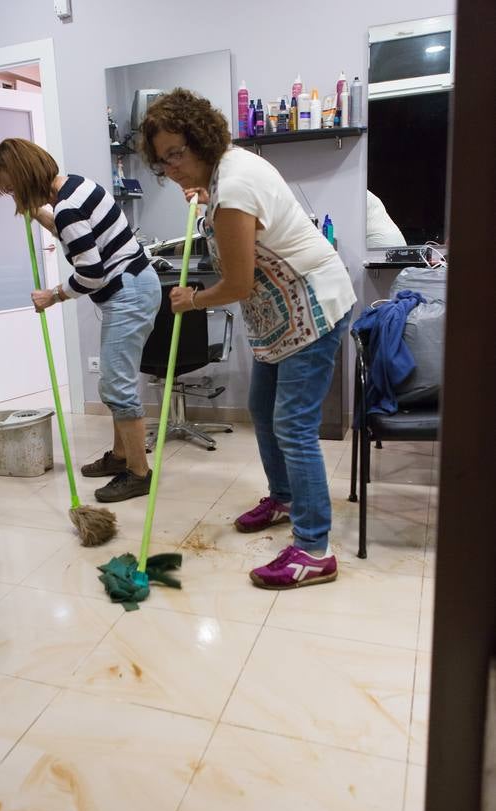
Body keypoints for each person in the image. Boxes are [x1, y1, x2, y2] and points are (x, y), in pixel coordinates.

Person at [140, 89, 357, 590]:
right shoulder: (225, 174)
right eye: (162, 160)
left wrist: (191, 300)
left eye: (178, 153)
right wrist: (202, 198)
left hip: (311, 308)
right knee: (263, 409)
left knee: (293, 426)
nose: (171, 168)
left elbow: (236, 285)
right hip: (279, 319)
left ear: (201, 140)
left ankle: (313, 548)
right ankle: (283, 498)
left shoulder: (234, 185)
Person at [0, 138, 160, 503]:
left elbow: (92, 273)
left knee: (116, 386)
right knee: (116, 380)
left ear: (25, 177)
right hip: (135, 285)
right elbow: (80, 236)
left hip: (126, 291)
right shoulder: (78, 187)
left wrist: (53, 294)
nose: (14, 195)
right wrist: (40, 215)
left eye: (13, 188)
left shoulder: (67, 209)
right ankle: (120, 457)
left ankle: (139, 473)